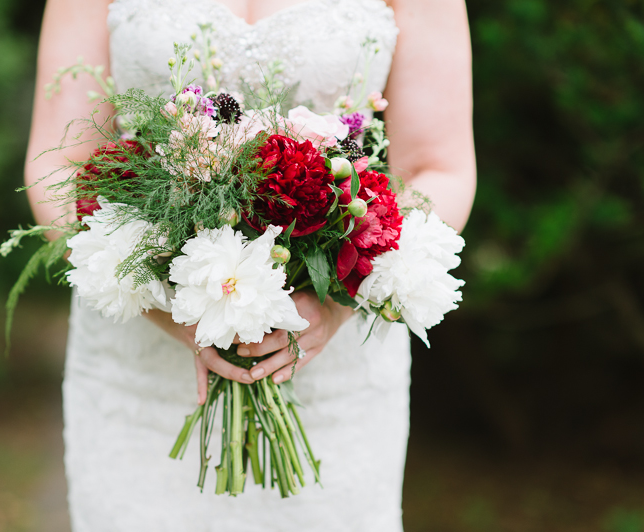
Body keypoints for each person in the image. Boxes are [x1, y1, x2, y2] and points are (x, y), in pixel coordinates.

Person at [25, 0, 476, 530]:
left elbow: (438, 167)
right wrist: (176, 303)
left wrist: (333, 301)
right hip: (138, 366)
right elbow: (60, 163)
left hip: (335, 373)